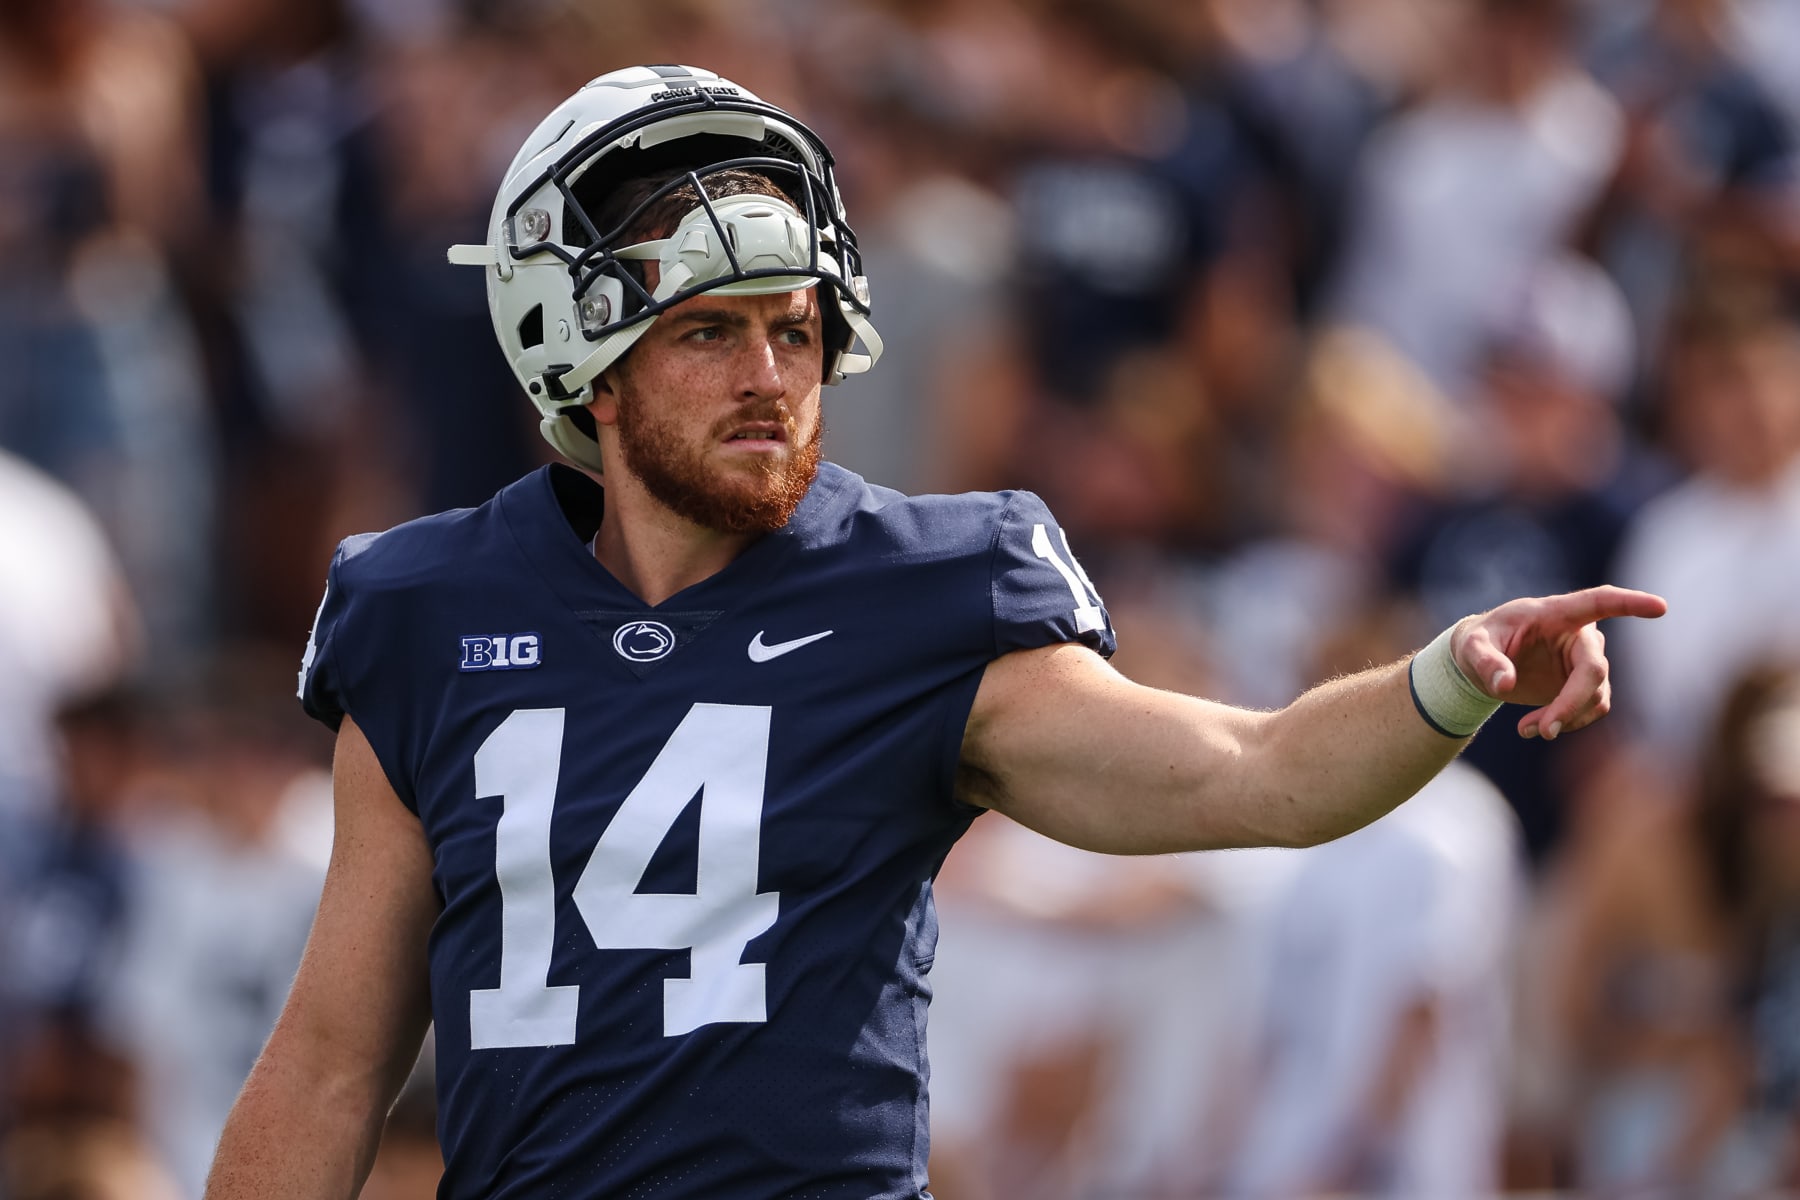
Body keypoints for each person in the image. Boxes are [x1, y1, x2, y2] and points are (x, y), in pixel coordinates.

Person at [203, 64, 1665, 1200]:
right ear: (575, 356)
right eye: (711, 332)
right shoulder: (430, 609)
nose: (774, 376)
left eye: (796, 328)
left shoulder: (924, 590)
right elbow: (334, 1060)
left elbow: (1251, 770)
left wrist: (1444, 681)